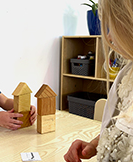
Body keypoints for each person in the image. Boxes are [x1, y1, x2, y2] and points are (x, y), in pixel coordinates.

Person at [64, 0, 133, 161]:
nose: (108, 36)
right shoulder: (127, 73)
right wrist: (96, 144)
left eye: (112, 25)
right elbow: (120, 127)